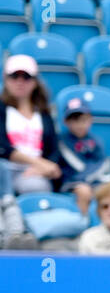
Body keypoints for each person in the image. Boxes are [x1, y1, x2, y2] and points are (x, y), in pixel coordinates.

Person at [0, 55, 61, 198]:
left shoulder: (44, 114)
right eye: (14, 76)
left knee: (36, 187)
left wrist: (44, 168)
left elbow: (53, 150)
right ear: (6, 79)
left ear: (34, 82)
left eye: (26, 77)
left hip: (34, 172)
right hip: (5, 168)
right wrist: (39, 163)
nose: (20, 82)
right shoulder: (1, 110)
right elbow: (2, 147)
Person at [56, 98, 110, 217]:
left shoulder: (95, 141)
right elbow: (75, 164)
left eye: (83, 120)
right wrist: (85, 179)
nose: (80, 124)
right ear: (65, 121)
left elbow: (102, 163)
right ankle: (83, 224)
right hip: (71, 182)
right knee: (84, 191)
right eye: (74, 120)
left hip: (93, 180)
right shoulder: (61, 141)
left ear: (90, 120)